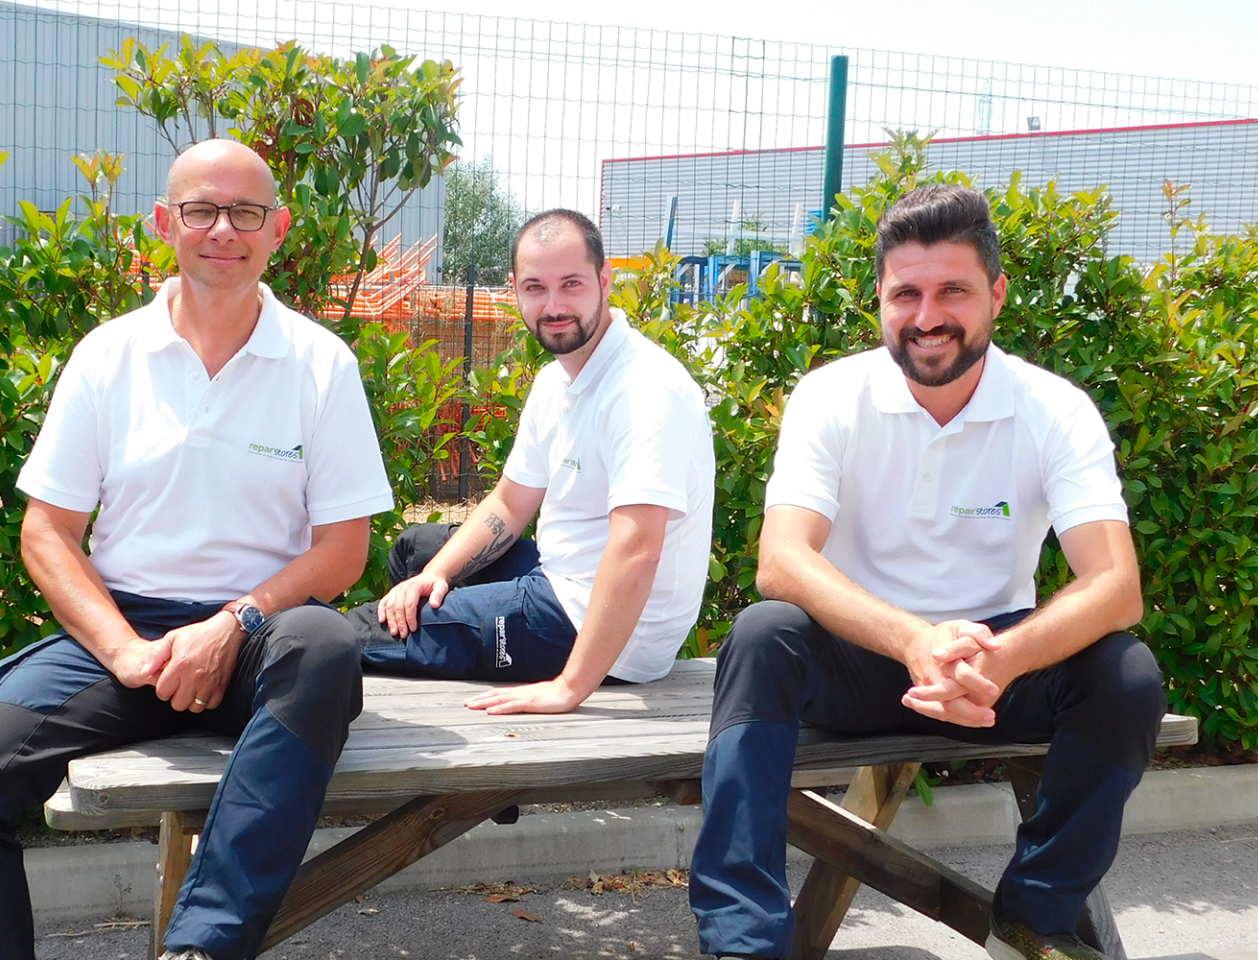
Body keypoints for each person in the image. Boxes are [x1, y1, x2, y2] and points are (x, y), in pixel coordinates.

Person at [0, 139, 393, 960]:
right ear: (165, 223)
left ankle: (202, 946)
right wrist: (126, 651)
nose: (223, 230)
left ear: (278, 230)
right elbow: (47, 532)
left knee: (327, 644)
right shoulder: (109, 356)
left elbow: (343, 550)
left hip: (261, 641)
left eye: (246, 212)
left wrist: (233, 623)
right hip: (123, 634)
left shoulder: (320, 364)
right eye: (201, 210)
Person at [689, 184, 1165, 960]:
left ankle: (1032, 920)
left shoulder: (1054, 409)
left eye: (953, 291)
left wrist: (1001, 658)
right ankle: (744, 943)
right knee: (763, 634)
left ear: (997, 295)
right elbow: (782, 559)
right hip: (863, 655)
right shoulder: (831, 395)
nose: (928, 315)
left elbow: (1116, 585)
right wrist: (913, 640)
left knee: (1128, 676)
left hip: (993, 670)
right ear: (879, 299)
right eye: (906, 294)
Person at [350, 209, 714, 714]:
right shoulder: (556, 381)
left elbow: (638, 551)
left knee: (357, 635)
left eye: (571, 284)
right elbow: (511, 502)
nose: (554, 305)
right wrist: (437, 573)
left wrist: (568, 687)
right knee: (417, 556)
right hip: (560, 576)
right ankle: (435, 670)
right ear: (515, 289)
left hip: (610, 630)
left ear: (605, 279)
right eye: (536, 287)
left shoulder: (646, 391)